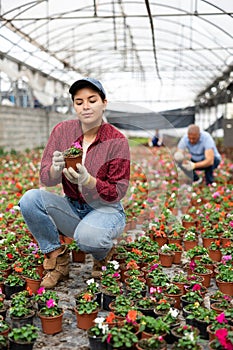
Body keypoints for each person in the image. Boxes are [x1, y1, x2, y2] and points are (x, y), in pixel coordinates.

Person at [19, 77, 130, 288]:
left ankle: (102, 254)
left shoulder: (117, 140)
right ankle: (58, 260)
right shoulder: (63, 131)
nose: (86, 106)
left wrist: (89, 181)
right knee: (30, 200)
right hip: (71, 206)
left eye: (92, 100)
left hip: (106, 209)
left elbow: (117, 191)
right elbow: (45, 177)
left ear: (104, 103)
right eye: (79, 102)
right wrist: (55, 168)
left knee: (88, 238)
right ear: (74, 106)